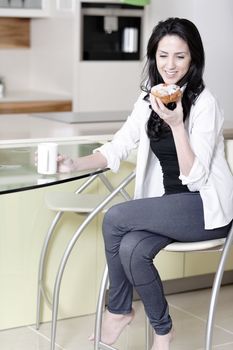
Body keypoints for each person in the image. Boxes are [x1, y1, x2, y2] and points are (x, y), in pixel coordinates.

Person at [57, 17, 233, 350]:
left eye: (180, 56)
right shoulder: (146, 102)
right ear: (153, 56)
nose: (171, 65)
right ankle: (163, 331)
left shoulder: (205, 104)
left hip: (204, 209)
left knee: (116, 217)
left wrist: (177, 125)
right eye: (163, 55)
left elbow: (196, 178)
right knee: (132, 249)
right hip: (166, 208)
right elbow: (118, 146)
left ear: (193, 58)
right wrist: (74, 163)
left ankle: (118, 310)